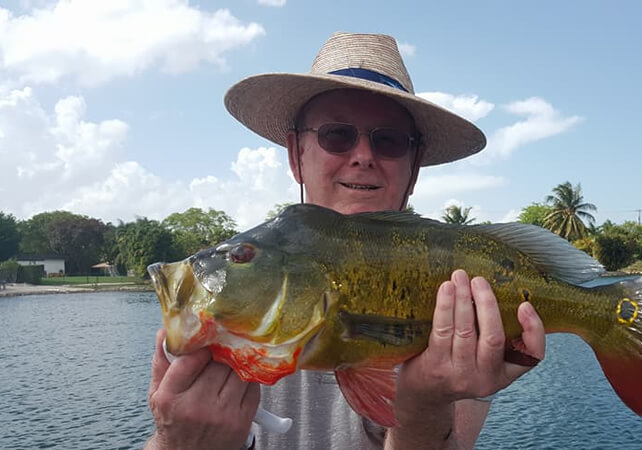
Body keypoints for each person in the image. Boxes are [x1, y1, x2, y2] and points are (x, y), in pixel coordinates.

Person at [146, 32, 546, 450]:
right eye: (336, 135)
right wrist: (177, 442)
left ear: (414, 170)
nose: (362, 155)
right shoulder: (234, 297)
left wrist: (424, 410)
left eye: (388, 140)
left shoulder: (457, 284)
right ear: (295, 154)